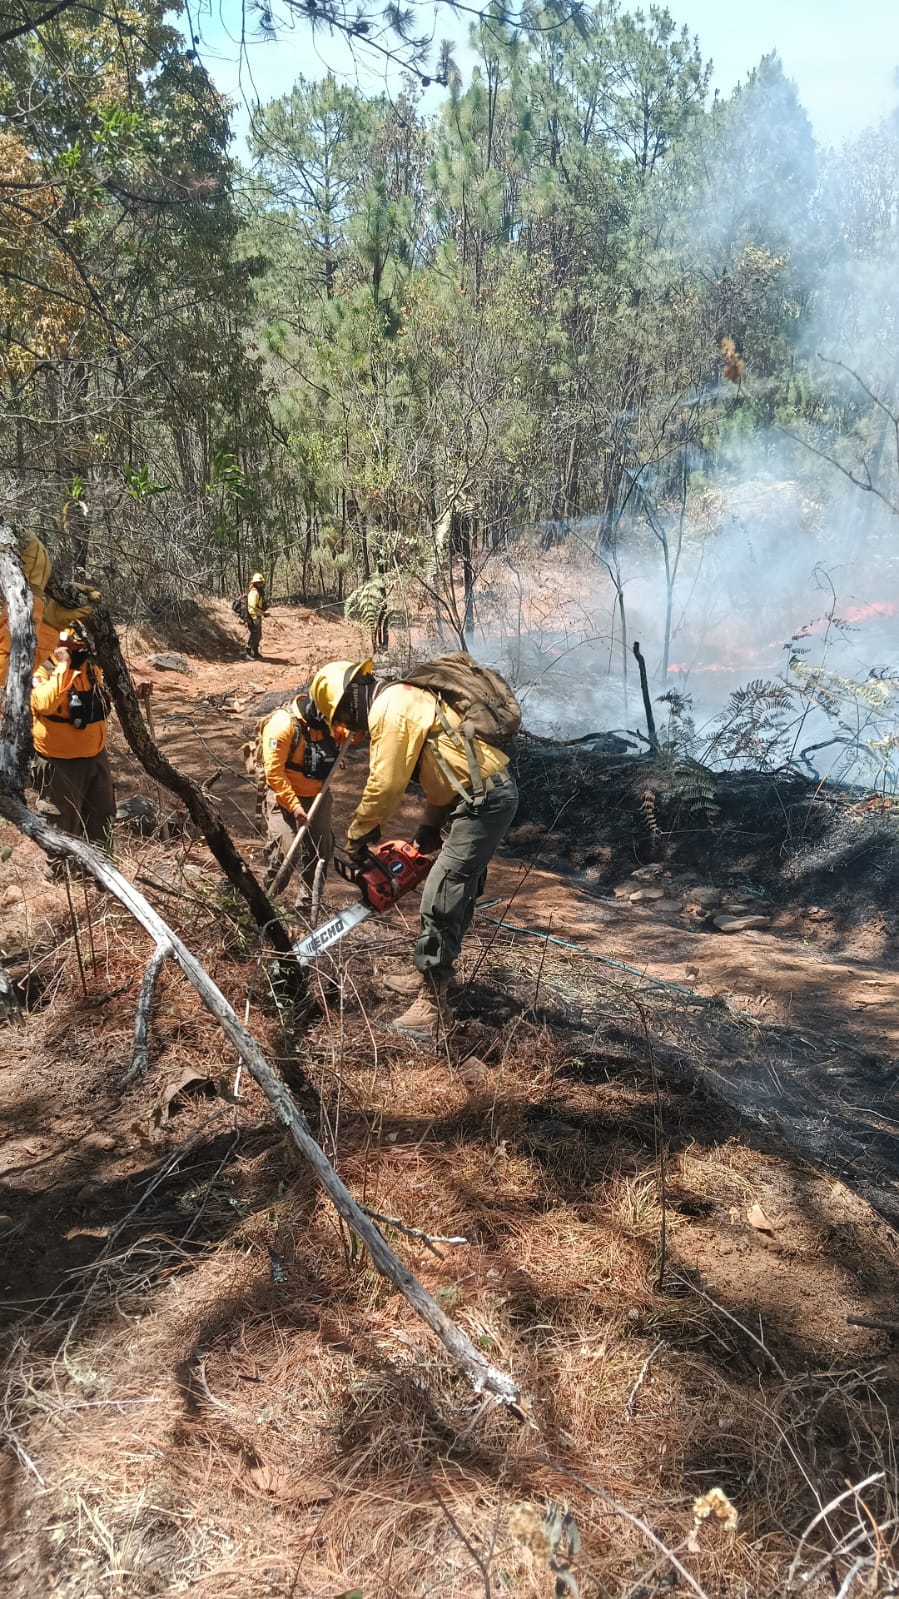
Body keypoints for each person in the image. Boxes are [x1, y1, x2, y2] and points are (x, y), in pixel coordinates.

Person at [310, 667, 518, 1039]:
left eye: (342, 716)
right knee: (455, 886)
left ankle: (433, 1001)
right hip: (471, 798)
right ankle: (427, 971)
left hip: (486, 800)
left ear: (352, 696)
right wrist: (427, 828)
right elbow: (446, 768)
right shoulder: (404, 698)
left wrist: (357, 837)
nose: (349, 727)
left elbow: (385, 783)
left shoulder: (392, 705)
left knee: (444, 889)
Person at [262, 659, 374, 906]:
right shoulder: (283, 726)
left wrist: (360, 728)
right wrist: (294, 806)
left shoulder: (330, 723)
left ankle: (309, 903)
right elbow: (274, 773)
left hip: (319, 797)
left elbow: (350, 738)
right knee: (287, 852)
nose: (337, 722)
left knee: (321, 850)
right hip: (285, 798)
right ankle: (265, 900)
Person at [30, 625, 116, 847]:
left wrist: (134, 690)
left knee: (102, 822)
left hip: (96, 757)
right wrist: (63, 666)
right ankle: (61, 879)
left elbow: (103, 696)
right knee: (61, 828)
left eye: (82, 646)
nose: (80, 650)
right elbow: (44, 703)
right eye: (74, 646)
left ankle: (102, 874)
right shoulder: (41, 665)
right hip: (59, 762)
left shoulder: (90, 666)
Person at [246, 571, 268, 660]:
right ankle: (248, 652)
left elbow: (257, 607)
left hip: (257, 616)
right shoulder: (254, 592)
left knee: (258, 635)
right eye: (259, 582)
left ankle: (255, 652)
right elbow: (251, 607)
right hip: (252, 617)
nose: (261, 584)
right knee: (255, 634)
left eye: (261, 582)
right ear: (255, 583)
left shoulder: (258, 592)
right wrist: (255, 618)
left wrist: (263, 614)